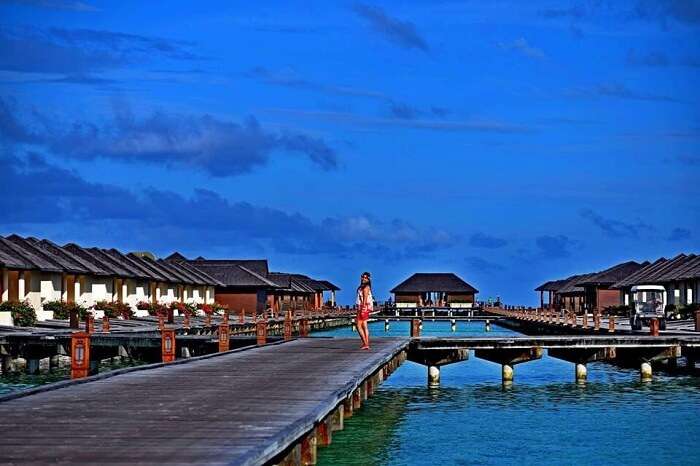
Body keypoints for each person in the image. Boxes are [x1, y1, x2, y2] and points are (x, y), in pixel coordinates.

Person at [356, 271, 373, 350]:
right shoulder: (363, 286)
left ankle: (365, 343)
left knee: (358, 325)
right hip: (363, 307)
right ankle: (366, 344)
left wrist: (362, 309)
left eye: (365, 277)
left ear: (368, 279)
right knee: (364, 325)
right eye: (362, 277)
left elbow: (365, 299)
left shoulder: (366, 287)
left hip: (363, 307)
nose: (363, 278)